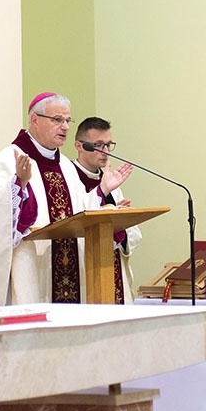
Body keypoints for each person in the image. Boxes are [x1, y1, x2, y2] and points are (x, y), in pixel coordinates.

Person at [0, 93, 132, 305]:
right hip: (32, 267)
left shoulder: (66, 166)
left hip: (71, 269)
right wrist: (18, 185)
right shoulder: (11, 158)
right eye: (57, 120)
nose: (65, 127)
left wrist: (101, 191)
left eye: (67, 120)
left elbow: (80, 213)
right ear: (35, 120)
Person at [72, 117, 142, 304]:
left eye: (108, 145)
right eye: (98, 145)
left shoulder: (110, 179)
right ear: (79, 146)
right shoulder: (69, 178)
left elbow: (132, 236)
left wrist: (122, 219)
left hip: (113, 265)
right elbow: (73, 220)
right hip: (84, 268)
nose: (105, 152)